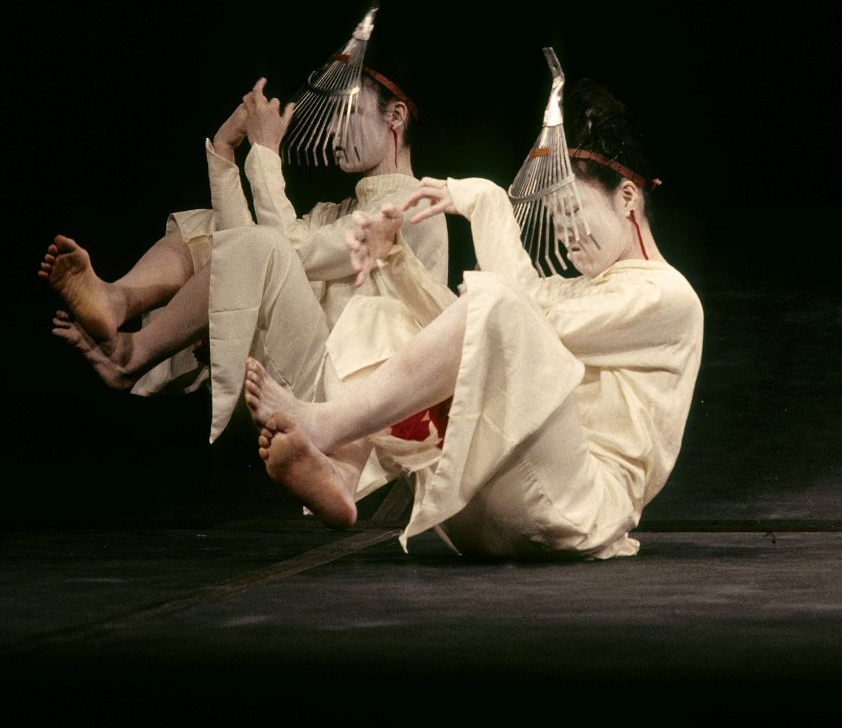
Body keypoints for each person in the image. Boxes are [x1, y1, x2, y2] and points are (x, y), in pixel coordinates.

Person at [242, 81, 704, 558]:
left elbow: (521, 311)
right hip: (479, 509)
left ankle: (326, 425)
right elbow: (465, 334)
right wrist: (393, 260)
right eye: (556, 219)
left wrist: (486, 202)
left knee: (502, 304)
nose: (565, 236)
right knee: (379, 312)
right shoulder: (575, 290)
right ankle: (342, 469)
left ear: (627, 197)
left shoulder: (669, 296)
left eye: (571, 211)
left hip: (572, 508)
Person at [39, 68, 448, 442]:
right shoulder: (334, 213)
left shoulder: (414, 203)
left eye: (347, 116)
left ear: (395, 117)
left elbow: (287, 250)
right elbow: (244, 245)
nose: (333, 134)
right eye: (329, 121)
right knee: (209, 225)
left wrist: (266, 152)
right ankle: (117, 300)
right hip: (312, 368)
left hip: (359, 400)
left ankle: (134, 354)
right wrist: (224, 152)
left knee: (265, 247)